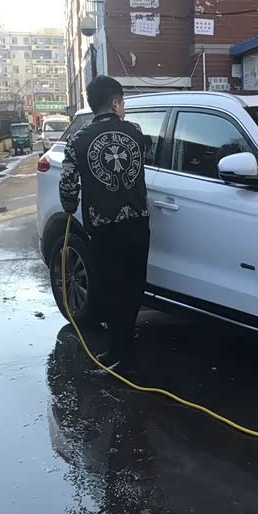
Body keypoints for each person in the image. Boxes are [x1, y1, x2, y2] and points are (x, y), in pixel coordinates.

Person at [59, 75, 149, 371]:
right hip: (137, 223)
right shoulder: (135, 131)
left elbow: (68, 184)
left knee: (110, 287)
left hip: (102, 226)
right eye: (122, 102)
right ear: (115, 102)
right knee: (133, 285)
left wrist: (70, 207)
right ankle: (127, 349)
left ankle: (116, 349)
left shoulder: (78, 139)